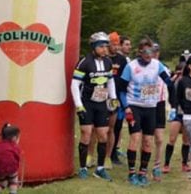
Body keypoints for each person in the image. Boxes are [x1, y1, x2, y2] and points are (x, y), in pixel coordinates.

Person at [119, 37, 173, 186]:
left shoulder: (157, 65)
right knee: (135, 138)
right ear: (140, 52)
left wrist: (172, 82)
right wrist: (126, 108)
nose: (149, 54)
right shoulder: (131, 66)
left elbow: (167, 81)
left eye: (152, 51)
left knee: (148, 141)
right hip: (134, 105)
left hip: (151, 107)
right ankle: (131, 173)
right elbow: (121, 90)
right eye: (146, 51)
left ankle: (143, 172)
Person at [71, 31, 117, 181]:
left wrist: (114, 99)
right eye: (102, 46)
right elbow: (74, 84)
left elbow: (110, 81)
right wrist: (79, 105)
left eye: (106, 46)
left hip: (101, 102)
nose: (105, 49)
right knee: (86, 133)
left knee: (103, 134)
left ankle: (100, 168)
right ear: (94, 47)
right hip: (87, 103)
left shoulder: (108, 62)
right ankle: (83, 167)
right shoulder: (84, 62)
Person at [164, 53, 191, 173]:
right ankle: (166, 163)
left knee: (186, 139)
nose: (181, 75)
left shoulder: (189, 82)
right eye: (178, 72)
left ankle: (185, 163)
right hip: (177, 112)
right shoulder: (173, 83)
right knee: (172, 138)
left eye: (182, 72)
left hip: (187, 112)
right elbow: (167, 86)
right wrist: (175, 77)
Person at [106, 32, 129, 166]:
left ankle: (113, 153)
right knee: (102, 127)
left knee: (117, 126)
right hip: (104, 94)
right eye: (112, 44)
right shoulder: (103, 58)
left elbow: (125, 79)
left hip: (118, 95)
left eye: (116, 44)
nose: (115, 47)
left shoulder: (121, 60)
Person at [151, 43, 170, 181]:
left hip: (159, 104)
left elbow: (170, 84)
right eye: (152, 51)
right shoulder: (139, 67)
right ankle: (143, 167)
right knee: (145, 139)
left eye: (156, 52)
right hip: (145, 105)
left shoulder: (163, 68)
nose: (154, 54)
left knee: (159, 138)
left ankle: (157, 166)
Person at [0, 123, 20, 194]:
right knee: (14, 181)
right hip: (10, 168)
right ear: (14, 138)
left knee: (3, 182)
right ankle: (13, 192)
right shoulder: (14, 146)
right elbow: (17, 157)